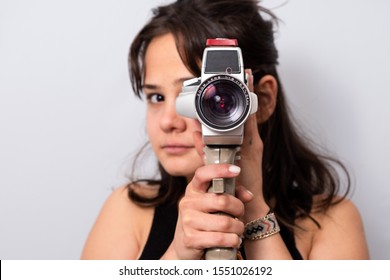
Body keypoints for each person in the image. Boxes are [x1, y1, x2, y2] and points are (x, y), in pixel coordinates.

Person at [81, 0, 369, 260]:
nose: (168, 120)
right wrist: (178, 258)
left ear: (262, 99)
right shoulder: (128, 211)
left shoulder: (330, 221)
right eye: (156, 97)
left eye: (195, 95)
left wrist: (254, 210)